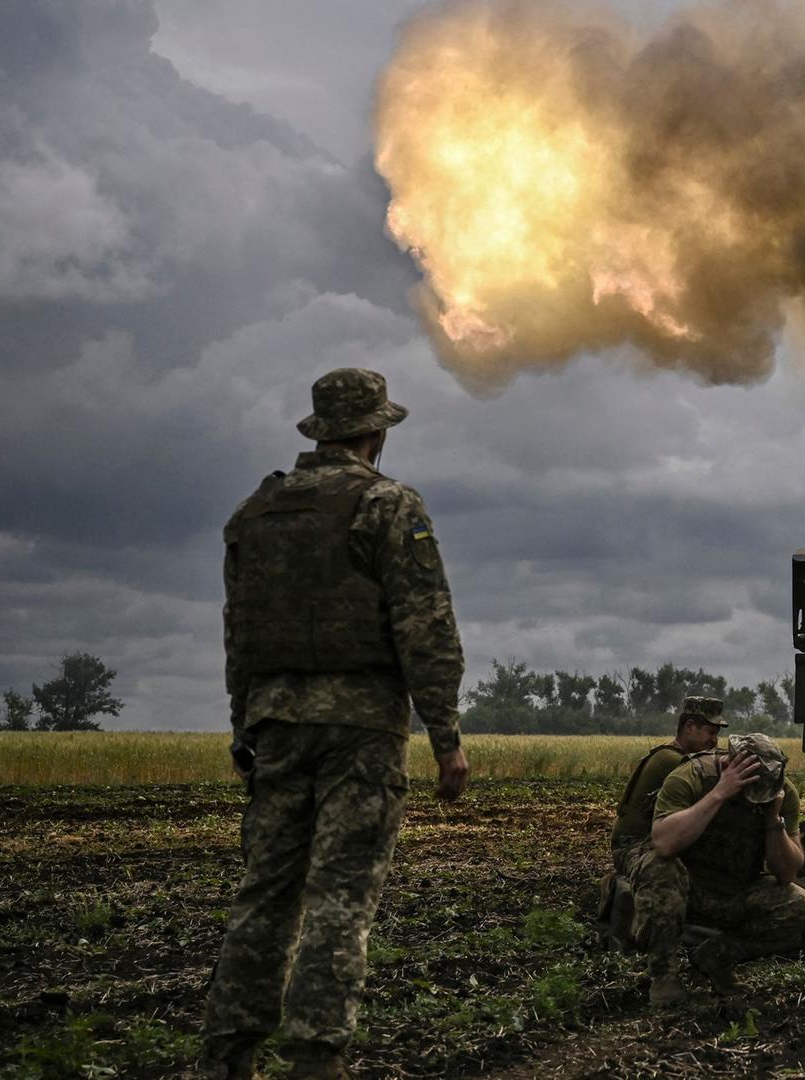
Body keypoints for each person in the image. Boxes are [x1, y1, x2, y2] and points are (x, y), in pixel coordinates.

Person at [199, 368, 470, 1080]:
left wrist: (243, 729)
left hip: (274, 727)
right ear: (376, 432)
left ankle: (228, 1053)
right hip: (360, 731)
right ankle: (317, 1058)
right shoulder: (387, 505)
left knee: (264, 894)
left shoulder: (250, 516)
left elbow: (241, 638)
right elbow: (426, 628)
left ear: (320, 430)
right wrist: (446, 738)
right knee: (340, 896)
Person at [632, 731, 805, 1006]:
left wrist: (772, 820)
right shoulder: (691, 778)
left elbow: (788, 873)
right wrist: (719, 794)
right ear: (729, 766)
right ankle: (663, 975)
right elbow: (665, 843)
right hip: (685, 886)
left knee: (799, 904)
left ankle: (716, 958)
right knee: (659, 867)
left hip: (733, 888)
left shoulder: (782, 794)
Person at [610, 696, 727, 868]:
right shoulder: (673, 761)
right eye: (710, 732)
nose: (714, 741)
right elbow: (711, 767)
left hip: (656, 838)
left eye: (716, 734)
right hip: (632, 844)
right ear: (689, 727)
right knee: (667, 870)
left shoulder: (679, 756)